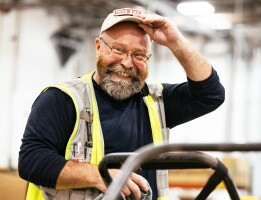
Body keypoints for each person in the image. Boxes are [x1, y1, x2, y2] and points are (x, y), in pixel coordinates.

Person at [18, 7, 225, 200]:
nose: (127, 63)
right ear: (98, 47)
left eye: (139, 55)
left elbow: (211, 94)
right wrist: (102, 175)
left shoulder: (156, 100)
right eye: (118, 50)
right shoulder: (62, 99)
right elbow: (31, 161)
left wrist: (176, 41)